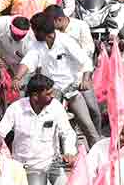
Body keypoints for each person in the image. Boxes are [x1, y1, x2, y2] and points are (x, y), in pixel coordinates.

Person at [17, 14, 98, 146]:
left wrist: (85, 79)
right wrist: (17, 78)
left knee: (88, 126)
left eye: (35, 30)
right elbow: (28, 61)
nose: (33, 33)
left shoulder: (66, 41)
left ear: (42, 32)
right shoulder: (36, 44)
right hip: (50, 92)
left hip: (71, 89)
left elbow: (85, 61)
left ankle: (97, 153)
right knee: (45, 127)